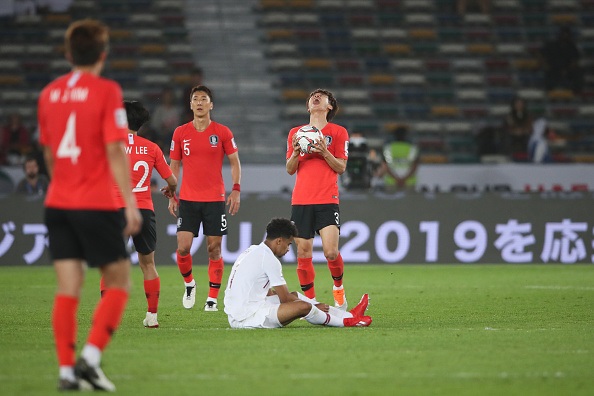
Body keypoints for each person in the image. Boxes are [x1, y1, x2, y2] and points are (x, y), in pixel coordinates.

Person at [37, 19, 142, 392]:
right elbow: (115, 148)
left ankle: (66, 372)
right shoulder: (106, 90)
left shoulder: (48, 93)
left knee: (68, 288)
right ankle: (91, 358)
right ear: (103, 54)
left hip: (58, 202)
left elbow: (49, 154)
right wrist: (129, 203)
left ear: (68, 54)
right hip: (95, 202)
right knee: (119, 281)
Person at [99, 100, 177, 329]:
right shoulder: (151, 147)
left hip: (116, 209)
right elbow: (171, 178)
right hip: (143, 209)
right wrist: (171, 190)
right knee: (148, 264)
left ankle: (107, 316)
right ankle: (152, 316)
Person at [168, 84, 241, 312]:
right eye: (195, 99)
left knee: (214, 249)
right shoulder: (180, 132)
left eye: (203, 98)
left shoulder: (222, 132)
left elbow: (234, 161)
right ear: (190, 105)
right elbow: (175, 165)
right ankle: (189, 283)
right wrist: (172, 193)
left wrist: (236, 189)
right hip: (188, 199)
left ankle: (212, 298)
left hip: (215, 198)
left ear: (211, 105)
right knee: (182, 248)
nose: (199, 102)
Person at [224, 217, 372, 329]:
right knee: (303, 307)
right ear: (279, 241)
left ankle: (349, 315)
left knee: (295, 296)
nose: (288, 249)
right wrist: (314, 306)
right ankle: (346, 322)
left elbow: (264, 291)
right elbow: (285, 300)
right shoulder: (269, 259)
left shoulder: (253, 250)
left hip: (240, 310)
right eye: (288, 244)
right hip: (247, 318)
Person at [286, 88, 350, 310]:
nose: (315, 97)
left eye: (322, 96)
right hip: (301, 200)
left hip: (327, 198)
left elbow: (341, 167)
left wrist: (324, 151)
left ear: (329, 106)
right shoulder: (295, 133)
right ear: (308, 106)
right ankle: (311, 302)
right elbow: (289, 169)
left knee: (331, 252)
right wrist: (295, 154)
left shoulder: (339, 132)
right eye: (312, 96)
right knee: (303, 252)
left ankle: (338, 289)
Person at [540, 26, 583, 94]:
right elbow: (542, 55)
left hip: (567, 69)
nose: (565, 36)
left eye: (567, 34)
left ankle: (576, 93)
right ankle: (549, 92)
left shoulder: (572, 46)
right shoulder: (551, 44)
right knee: (548, 75)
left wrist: (567, 70)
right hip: (552, 68)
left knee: (578, 72)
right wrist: (545, 65)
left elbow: (574, 60)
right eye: (563, 34)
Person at [375, 126, 419, 191]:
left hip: (391, 182)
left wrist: (396, 179)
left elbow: (385, 166)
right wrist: (404, 179)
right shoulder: (412, 148)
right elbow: (414, 166)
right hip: (409, 182)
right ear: (406, 135)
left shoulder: (388, 148)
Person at [150, 87, 182, 153]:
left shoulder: (175, 110)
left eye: (169, 96)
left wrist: (168, 129)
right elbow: (154, 123)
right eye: (166, 96)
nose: (167, 98)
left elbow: (177, 125)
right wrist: (161, 127)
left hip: (170, 133)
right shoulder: (159, 109)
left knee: (172, 135)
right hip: (159, 132)